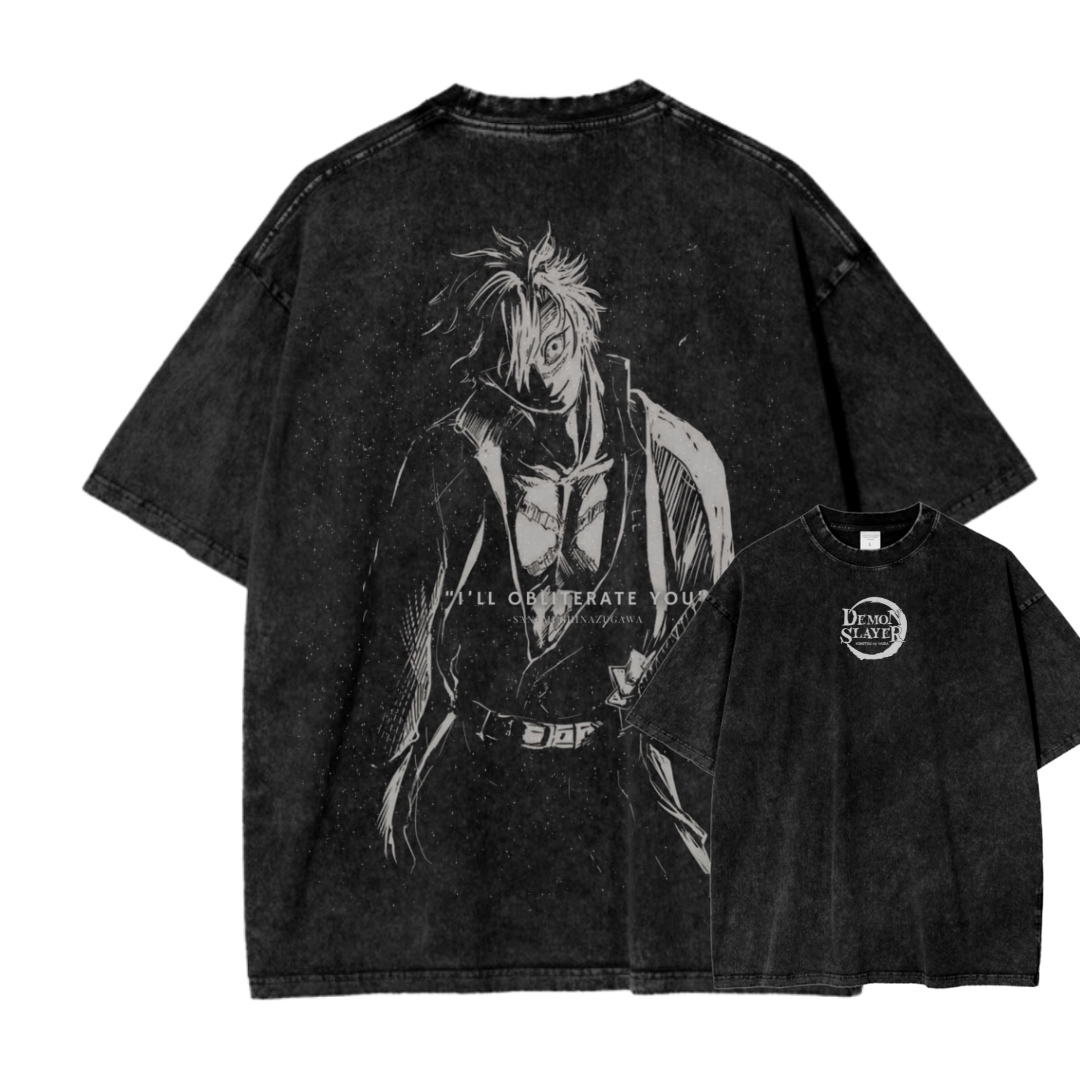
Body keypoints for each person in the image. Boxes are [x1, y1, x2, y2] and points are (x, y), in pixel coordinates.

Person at [359, 225, 734, 871]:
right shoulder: (451, 458)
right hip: (471, 776)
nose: (538, 378)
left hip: (622, 782)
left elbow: (719, 652)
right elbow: (403, 654)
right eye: (514, 363)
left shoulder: (678, 458)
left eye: (553, 347)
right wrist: (383, 810)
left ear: (583, 328)